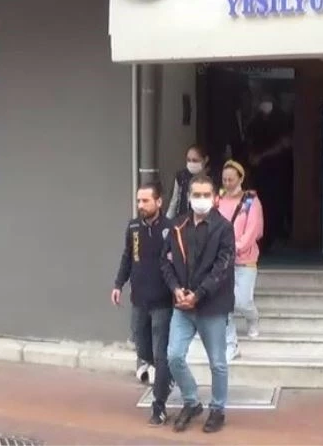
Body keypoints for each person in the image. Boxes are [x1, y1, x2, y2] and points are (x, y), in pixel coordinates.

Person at [162, 175, 235, 434]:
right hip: (182, 305)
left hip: (211, 306)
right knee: (174, 356)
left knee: (217, 363)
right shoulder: (178, 225)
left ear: (215, 198)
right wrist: (175, 289)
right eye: (196, 195)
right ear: (189, 197)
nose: (201, 199)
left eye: (206, 195)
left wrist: (199, 294)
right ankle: (192, 401)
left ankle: (217, 409)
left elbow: (222, 267)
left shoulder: (224, 228)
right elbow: (165, 261)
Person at [111, 182, 174, 426]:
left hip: (162, 302)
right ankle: (167, 377)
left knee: (160, 354)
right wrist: (119, 284)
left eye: (146, 201)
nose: (141, 205)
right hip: (139, 300)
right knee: (142, 350)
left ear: (159, 202)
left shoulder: (170, 228)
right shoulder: (134, 227)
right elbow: (127, 256)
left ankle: (159, 407)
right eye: (139, 200)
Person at [217, 160, 264, 361]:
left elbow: (253, 230)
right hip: (221, 259)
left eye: (231, 179)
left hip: (245, 258)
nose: (228, 183)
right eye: (224, 179)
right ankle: (231, 341)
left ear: (240, 179)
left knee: (243, 301)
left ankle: (253, 319)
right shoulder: (217, 200)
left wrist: (237, 246)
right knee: (225, 300)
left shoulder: (251, 201)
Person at [246, 95, 293, 252]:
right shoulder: (255, 121)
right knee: (259, 204)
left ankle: (272, 238)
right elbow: (249, 140)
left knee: (275, 204)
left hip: (278, 170)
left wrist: (262, 155)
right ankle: (261, 239)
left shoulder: (282, 120)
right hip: (259, 172)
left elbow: (285, 143)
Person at [166, 145, 215, 220]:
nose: (191, 163)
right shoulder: (181, 176)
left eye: (195, 160)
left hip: (207, 219)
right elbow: (174, 201)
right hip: (182, 218)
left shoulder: (212, 178)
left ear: (205, 159)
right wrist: (167, 220)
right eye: (188, 160)